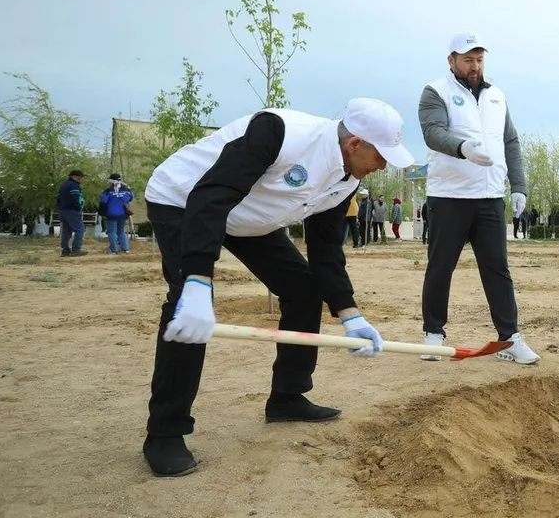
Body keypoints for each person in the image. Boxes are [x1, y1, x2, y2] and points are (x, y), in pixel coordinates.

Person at [139, 97, 413, 477]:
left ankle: (287, 396)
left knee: (303, 289)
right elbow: (212, 195)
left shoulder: (348, 179)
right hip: (185, 200)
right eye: (381, 156)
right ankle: (164, 434)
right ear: (354, 144)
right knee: (187, 307)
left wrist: (351, 314)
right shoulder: (280, 132)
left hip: (250, 219)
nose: (383, 166)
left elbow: (326, 252)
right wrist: (198, 280)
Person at [417, 31, 539, 364]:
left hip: (489, 198)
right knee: (441, 267)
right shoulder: (435, 92)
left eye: (479, 59)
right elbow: (432, 132)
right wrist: (462, 148)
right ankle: (434, 333)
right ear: (452, 60)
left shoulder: (497, 95)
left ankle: (509, 338)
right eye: (468, 59)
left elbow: (510, 142)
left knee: (497, 268)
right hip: (449, 195)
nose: (475, 66)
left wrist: (519, 186)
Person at [99, 173, 134, 255]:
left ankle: (114, 250)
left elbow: (103, 202)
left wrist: (102, 212)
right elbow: (130, 198)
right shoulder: (126, 189)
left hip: (111, 214)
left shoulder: (107, 190)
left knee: (112, 232)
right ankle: (126, 249)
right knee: (121, 231)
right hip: (123, 214)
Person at [57, 169, 87, 257]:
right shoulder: (74, 185)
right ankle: (76, 249)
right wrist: (78, 207)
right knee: (80, 229)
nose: (82, 179)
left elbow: (58, 198)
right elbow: (75, 198)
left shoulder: (64, 185)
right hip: (72, 210)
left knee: (66, 231)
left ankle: (65, 251)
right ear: (75, 177)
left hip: (63, 210)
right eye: (81, 177)